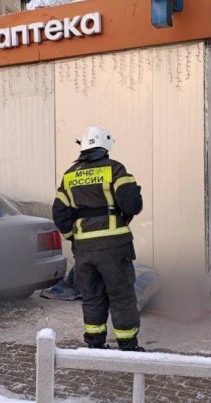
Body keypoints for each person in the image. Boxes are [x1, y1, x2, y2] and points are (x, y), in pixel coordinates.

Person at [52, 125, 144, 351]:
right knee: (121, 295)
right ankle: (128, 345)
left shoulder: (70, 175)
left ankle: (95, 343)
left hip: (84, 249)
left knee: (92, 296)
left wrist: (72, 236)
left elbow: (59, 212)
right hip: (114, 246)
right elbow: (132, 204)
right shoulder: (114, 169)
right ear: (107, 146)